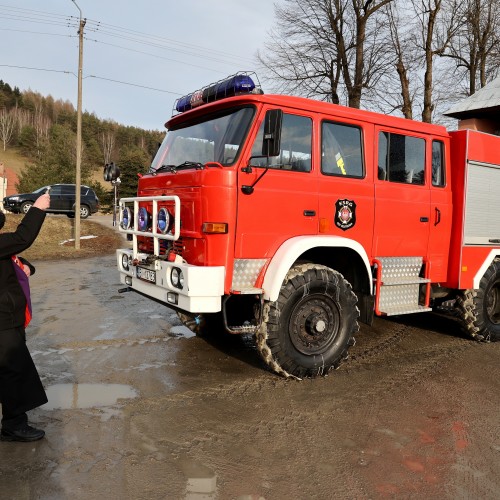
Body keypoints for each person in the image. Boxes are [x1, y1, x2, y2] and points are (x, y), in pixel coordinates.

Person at [0, 192, 50, 442]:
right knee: (13, 371)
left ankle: (13, 421)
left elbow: (12, 255)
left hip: (9, 319)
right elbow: (21, 238)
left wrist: (27, 266)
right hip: (3, 322)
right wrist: (38, 209)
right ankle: (14, 425)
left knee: (10, 371)